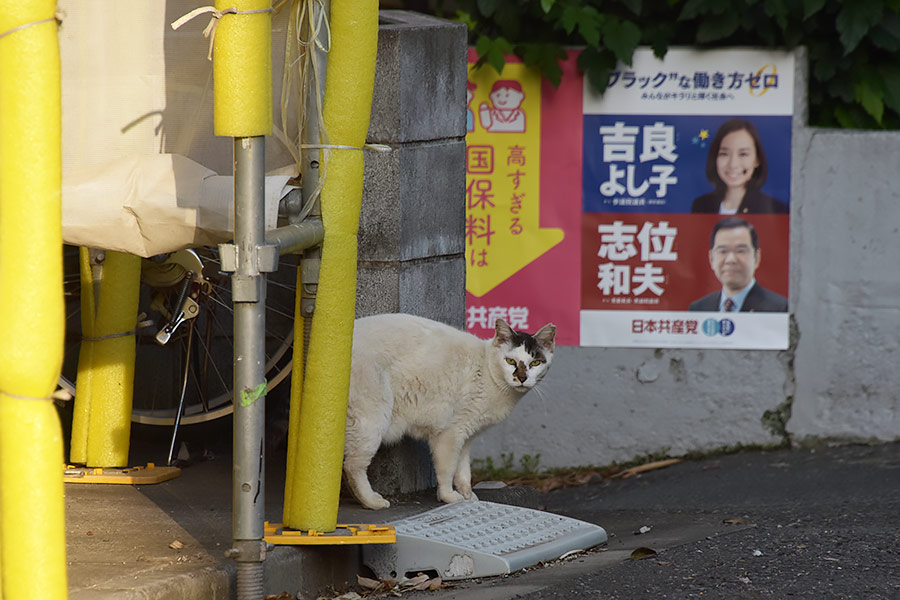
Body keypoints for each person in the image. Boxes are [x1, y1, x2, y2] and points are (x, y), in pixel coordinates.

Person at [689, 217, 787, 312]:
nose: (731, 260)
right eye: (723, 251)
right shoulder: (699, 308)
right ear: (711, 259)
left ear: (756, 257)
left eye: (740, 251)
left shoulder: (779, 309)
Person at [691, 118, 788, 214]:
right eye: (724, 154)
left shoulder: (777, 210)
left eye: (743, 154)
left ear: (757, 160)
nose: (733, 164)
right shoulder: (701, 205)